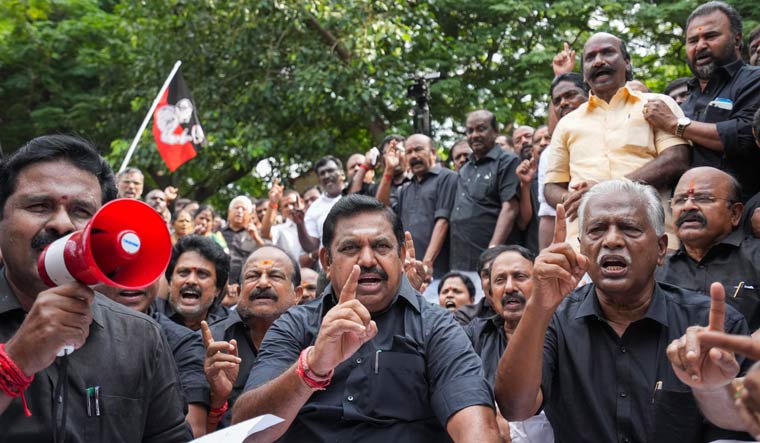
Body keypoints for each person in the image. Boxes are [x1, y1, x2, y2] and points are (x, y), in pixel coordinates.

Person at [495, 180, 749, 442]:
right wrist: (538, 305)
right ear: (581, 248)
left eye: (629, 228)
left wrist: (714, 391)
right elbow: (515, 408)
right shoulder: (554, 319)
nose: (613, 240)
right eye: (597, 230)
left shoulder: (713, 327)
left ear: (660, 248)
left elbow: (741, 429)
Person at [231, 195, 500, 442]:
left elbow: (475, 427)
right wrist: (311, 369)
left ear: (402, 255)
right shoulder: (294, 325)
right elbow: (249, 434)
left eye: (382, 246)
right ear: (326, 260)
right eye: (350, 248)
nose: (368, 259)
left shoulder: (437, 326)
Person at [0, 135, 191, 441]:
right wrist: (15, 361)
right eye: (39, 206)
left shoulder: (140, 335)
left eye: (82, 211)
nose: (62, 225)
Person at [544, 32, 690, 251]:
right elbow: (551, 186)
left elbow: (677, 159)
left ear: (627, 63)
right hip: (583, 246)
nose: (599, 61)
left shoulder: (657, 104)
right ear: (583, 75)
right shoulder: (567, 123)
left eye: (608, 52)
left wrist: (603, 191)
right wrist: (571, 197)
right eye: (590, 57)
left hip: (651, 240)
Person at [645, 1, 760, 201]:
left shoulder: (754, 79)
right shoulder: (687, 102)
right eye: (692, 40)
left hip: (743, 214)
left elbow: (745, 135)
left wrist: (675, 124)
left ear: (737, 39)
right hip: (686, 215)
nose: (700, 46)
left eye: (711, 36)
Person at [201, 245, 303, 431]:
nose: (263, 283)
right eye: (252, 276)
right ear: (239, 292)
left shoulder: (316, 342)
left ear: (297, 294)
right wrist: (218, 400)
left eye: (275, 276)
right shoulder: (212, 342)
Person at [97, 279, 210, 437]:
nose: (131, 280)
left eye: (142, 267)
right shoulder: (65, 330)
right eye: (114, 270)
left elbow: (189, 430)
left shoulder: (182, 341)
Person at [656, 167, 760, 329]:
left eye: (704, 198)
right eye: (680, 200)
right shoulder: (656, 269)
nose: (688, 206)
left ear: (735, 213)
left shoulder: (756, 257)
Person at [450, 109, 520, 276]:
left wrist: (492, 252)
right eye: (470, 130)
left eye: (481, 129)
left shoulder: (507, 161)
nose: (474, 135)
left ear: (495, 131)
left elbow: (510, 208)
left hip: (491, 263)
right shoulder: (465, 167)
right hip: (459, 262)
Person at [391, 134, 458, 299]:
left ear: (433, 153)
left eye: (418, 149)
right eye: (409, 152)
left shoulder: (447, 177)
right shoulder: (405, 189)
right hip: (409, 276)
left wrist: (427, 264)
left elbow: (442, 222)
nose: (414, 155)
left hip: (437, 275)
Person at [538, 73, 590, 251]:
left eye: (570, 95)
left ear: (589, 93)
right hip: (576, 241)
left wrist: (596, 194)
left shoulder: (615, 124)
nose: (563, 103)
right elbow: (548, 211)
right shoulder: (549, 153)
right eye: (557, 100)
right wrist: (571, 199)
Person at [156, 235, 230, 331]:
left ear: (217, 289)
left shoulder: (230, 328)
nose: (191, 281)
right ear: (170, 283)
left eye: (202, 274)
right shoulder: (148, 316)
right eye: (183, 272)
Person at [294, 156, 345, 254]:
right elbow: (311, 247)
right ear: (319, 179)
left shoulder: (357, 194)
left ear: (342, 173)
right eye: (322, 173)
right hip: (330, 267)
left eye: (330, 171)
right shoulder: (314, 209)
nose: (326, 175)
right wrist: (300, 224)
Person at [453, 246, 510, 326]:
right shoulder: (466, 316)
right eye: (486, 274)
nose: (492, 280)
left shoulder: (529, 312)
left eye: (499, 274)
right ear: (481, 284)